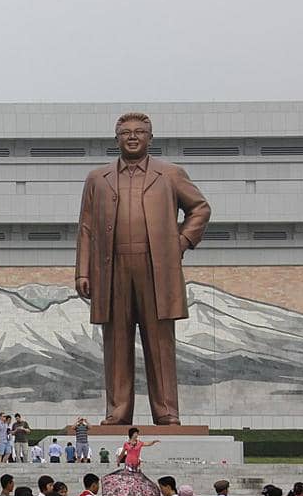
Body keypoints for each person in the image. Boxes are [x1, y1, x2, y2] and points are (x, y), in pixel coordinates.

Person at [75, 112, 210, 425]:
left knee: (160, 342)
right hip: (113, 268)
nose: (132, 137)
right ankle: (118, 410)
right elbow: (86, 227)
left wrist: (180, 242)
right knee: (116, 342)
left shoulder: (170, 174)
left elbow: (200, 209)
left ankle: (166, 411)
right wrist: (83, 271)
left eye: (139, 132)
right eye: (126, 133)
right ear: (116, 139)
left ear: (150, 138)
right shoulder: (98, 178)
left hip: (155, 267)